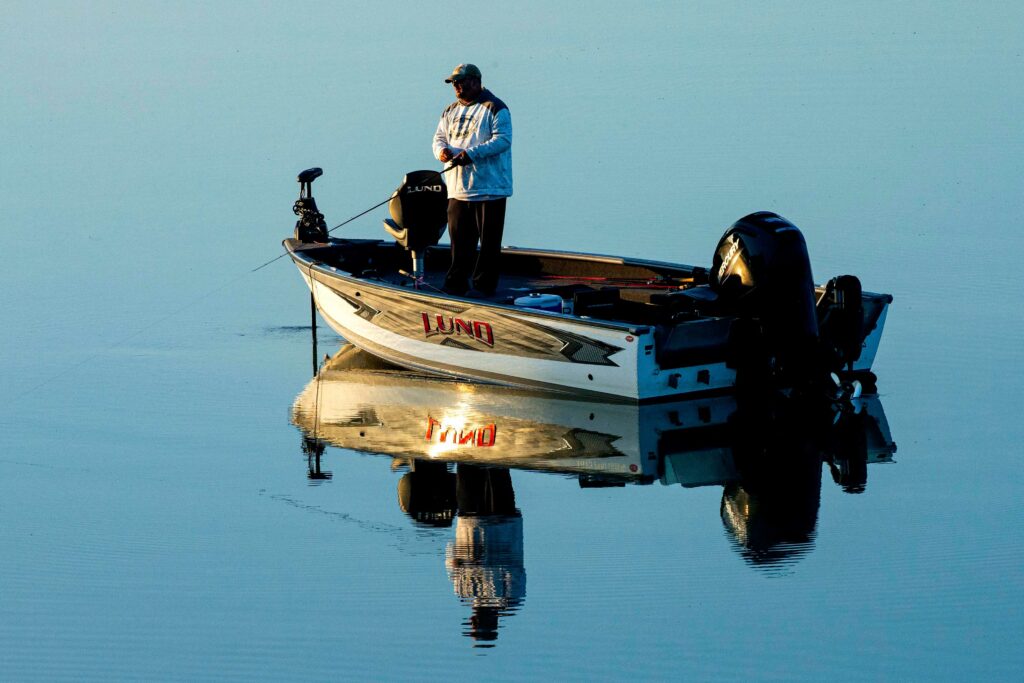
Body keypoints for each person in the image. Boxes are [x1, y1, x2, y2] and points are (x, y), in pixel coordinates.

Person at [432, 63, 512, 296]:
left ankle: (484, 287)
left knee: (488, 244)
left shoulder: (495, 107)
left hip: (490, 188)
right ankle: (455, 284)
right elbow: (438, 138)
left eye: (462, 82)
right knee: (459, 242)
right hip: (458, 189)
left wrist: (471, 155)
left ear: (476, 82)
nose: (457, 86)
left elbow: (503, 140)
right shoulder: (450, 111)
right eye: (454, 83)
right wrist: (442, 152)